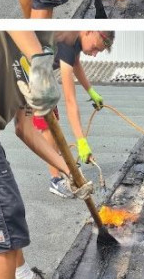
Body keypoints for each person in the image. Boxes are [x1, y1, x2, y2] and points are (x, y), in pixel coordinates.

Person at [0, 31, 95, 279]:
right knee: (3, 229)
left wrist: (70, 170)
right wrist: (39, 61)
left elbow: (25, 128)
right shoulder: (37, 40)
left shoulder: (45, 55)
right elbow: (19, 26)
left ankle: (25, 277)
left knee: (9, 213)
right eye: (101, 43)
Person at [32, 31, 115, 198]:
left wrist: (91, 91)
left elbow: (75, 63)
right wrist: (82, 141)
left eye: (97, 52)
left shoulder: (76, 40)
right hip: (29, 72)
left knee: (53, 123)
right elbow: (70, 101)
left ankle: (59, 168)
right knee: (47, 125)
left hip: (42, 74)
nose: (94, 54)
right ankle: (55, 180)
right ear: (89, 31)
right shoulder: (67, 43)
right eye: (95, 48)